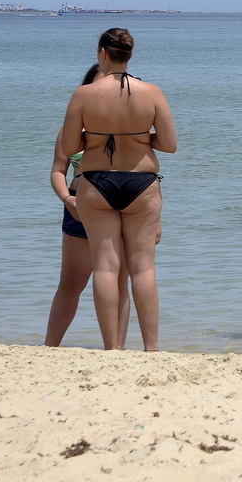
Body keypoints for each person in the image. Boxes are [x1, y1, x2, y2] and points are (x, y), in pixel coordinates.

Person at [56, 28, 177, 351]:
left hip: (96, 184)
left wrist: (98, 137)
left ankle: (112, 349)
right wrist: (139, 137)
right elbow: (170, 144)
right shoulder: (152, 92)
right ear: (130, 55)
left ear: (102, 53)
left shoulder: (84, 94)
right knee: (143, 267)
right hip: (141, 183)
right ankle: (151, 349)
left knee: (105, 268)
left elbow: (69, 146)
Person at [45, 64, 132, 347]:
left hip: (121, 208)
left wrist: (155, 220)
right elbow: (58, 170)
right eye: (97, 86)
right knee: (71, 283)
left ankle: (116, 349)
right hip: (79, 208)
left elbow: (143, 177)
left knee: (119, 283)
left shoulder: (131, 127)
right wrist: (67, 199)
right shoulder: (72, 128)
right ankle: (49, 347)